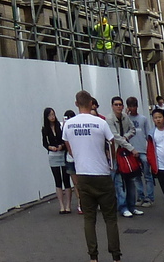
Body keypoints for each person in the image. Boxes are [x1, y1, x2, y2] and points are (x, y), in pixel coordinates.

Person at [65, 91, 122, 262]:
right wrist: (111, 163)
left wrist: (79, 158)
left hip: (83, 174)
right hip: (102, 173)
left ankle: (93, 256)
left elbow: (68, 147)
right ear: (91, 103)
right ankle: (115, 255)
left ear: (76, 104)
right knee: (110, 218)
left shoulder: (68, 125)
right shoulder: (100, 122)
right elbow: (112, 142)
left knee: (89, 218)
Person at [109, 96, 142, 217]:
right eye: (116, 104)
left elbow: (133, 129)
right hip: (116, 153)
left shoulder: (125, 117)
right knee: (118, 181)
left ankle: (131, 206)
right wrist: (131, 147)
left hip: (126, 153)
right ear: (112, 106)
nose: (118, 107)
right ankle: (122, 207)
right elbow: (115, 137)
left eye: (120, 104)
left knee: (130, 178)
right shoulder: (109, 119)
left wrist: (126, 137)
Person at [44, 107, 74, 214]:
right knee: (57, 180)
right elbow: (45, 143)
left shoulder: (60, 126)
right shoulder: (45, 129)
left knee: (66, 178)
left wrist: (61, 146)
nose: (52, 117)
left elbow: (65, 138)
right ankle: (61, 205)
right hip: (53, 155)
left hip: (62, 154)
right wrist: (50, 147)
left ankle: (68, 205)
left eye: (53, 114)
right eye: (50, 115)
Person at [127, 97, 155, 206]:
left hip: (143, 149)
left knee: (147, 175)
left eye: (134, 106)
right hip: (131, 150)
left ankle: (149, 197)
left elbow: (148, 134)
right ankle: (141, 196)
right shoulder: (126, 119)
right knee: (136, 176)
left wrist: (149, 149)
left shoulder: (143, 119)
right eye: (130, 106)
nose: (132, 108)